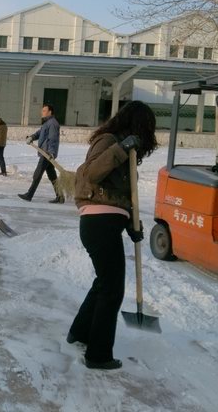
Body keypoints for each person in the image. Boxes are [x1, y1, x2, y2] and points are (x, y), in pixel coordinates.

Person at [67, 100, 157, 370]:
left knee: (104, 283)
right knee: (112, 289)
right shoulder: (109, 141)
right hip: (99, 222)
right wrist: (121, 148)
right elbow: (92, 173)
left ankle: (80, 332)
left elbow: (123, 198)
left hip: (107, 222)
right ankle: (98, 355)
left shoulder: (126, 149)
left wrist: (132, 225)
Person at [18, 104, 62, 203]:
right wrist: (32, 137)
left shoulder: (52, 123)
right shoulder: (47, 123)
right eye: (42, 110)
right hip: (45, 152)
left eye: (44, 111)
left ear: (50, 112)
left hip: (47, 153)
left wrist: (51, 152)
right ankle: (60, 196)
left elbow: (53, 139)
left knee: (38, 174)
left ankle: (29, 195)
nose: (42, 112)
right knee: (52, 176)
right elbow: (40, 132)